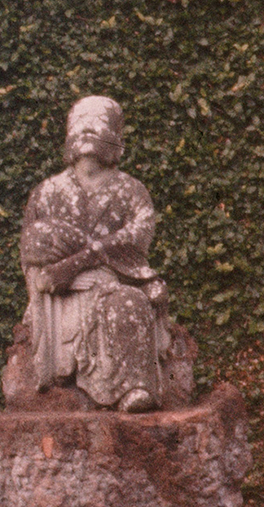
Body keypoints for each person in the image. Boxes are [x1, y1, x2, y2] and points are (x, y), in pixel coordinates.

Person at [17, 96, 173, 411]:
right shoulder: (47, 192)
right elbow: (32, 248)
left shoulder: (131, 190)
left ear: (116, 139)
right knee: (41, 241)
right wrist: (67, 276)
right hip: (61, 295)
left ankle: (134, 389)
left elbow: (137, 239)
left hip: (113, 283)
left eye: (99, 124)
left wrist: (82, 258)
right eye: (80, 124)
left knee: (130, 304)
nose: (88, 130)